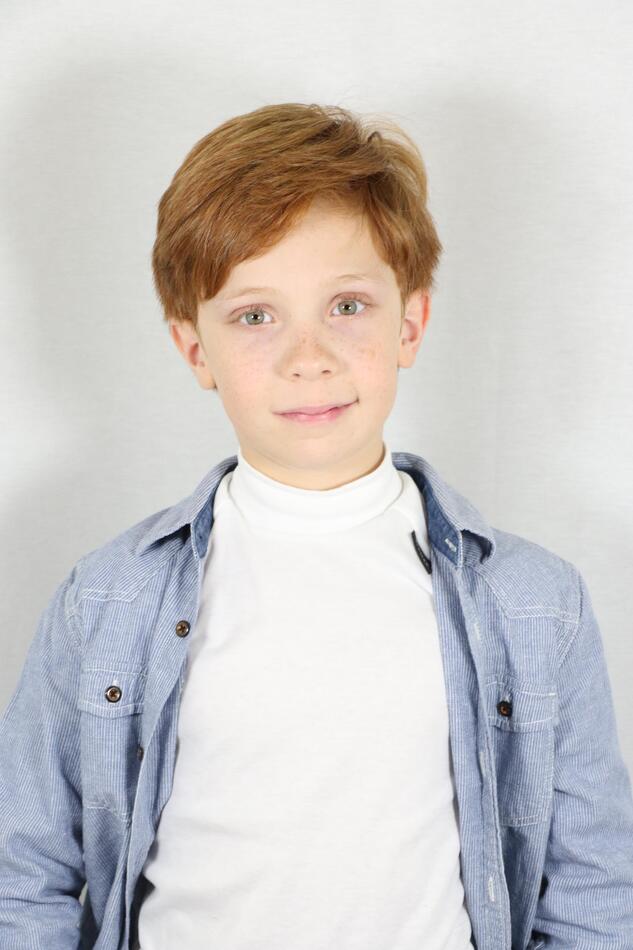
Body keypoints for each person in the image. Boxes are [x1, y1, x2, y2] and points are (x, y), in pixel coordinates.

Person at [1, 102, 632, 950]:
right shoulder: (108, 599)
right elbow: (23, 875)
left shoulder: (535, 603)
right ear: (195, 349)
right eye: (255, 316)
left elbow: (593, 890)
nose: (309, 357)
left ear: (410, 322)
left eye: (347, 305)